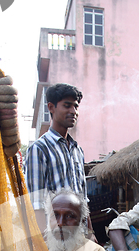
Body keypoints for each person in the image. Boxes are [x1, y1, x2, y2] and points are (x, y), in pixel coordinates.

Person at [24, 83, 92, 235]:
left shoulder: (77, 150)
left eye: (76, 106)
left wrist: (90, 233)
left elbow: (83, 199)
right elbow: (35, 204)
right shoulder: (39, 149)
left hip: (78, 235)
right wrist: (46, 244)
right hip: (55, 236)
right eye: (67, 106)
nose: (73, 111)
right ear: (51, 107)